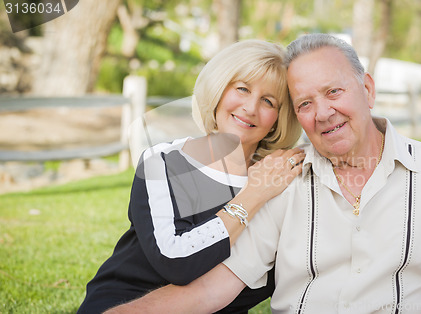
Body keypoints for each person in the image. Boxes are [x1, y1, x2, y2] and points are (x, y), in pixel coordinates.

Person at [105, 34, 421, 314]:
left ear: (368, 89)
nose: (323, 113)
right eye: (305, 102)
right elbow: (209, 292)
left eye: (334, 92)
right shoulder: (283, 180)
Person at [77, 39, 305, 313]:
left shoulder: (280, 177)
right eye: (242, 89)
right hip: (124, 302)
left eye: (268, 101)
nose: (250, 107)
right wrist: (253, 195)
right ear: (219, 90)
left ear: (278, 120)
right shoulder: (163, 162)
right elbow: (175, 260)